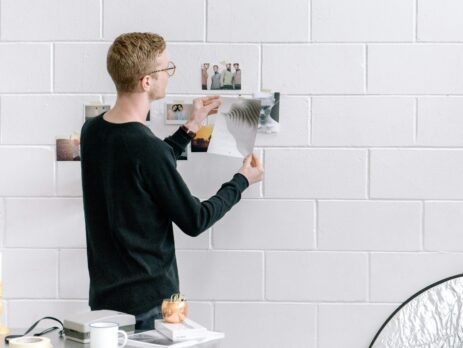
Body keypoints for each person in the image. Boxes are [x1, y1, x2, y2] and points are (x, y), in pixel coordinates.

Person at [80, 32, 264, 331]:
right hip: (148, 306)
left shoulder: (92, 131)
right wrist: (242, 180)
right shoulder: (146, 148)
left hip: (103, 302)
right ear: (146, 81)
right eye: (166, 68)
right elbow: (195, 220)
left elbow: (147, 166)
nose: (169, 75)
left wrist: (191, 126)